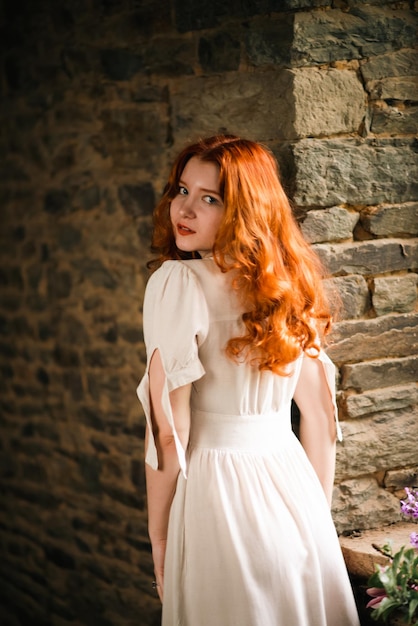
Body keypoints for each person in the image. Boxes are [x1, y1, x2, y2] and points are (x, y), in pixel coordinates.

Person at [137, 135, 360, 626]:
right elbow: (320, 420)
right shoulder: (290, 285)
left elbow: (169, 435)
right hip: (295, 491)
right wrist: (313, 522)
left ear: (244, 209)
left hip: (216, 497)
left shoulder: (176, 284)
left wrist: (159, 536)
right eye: (181, 190)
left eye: (209, 198)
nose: (185, 209)